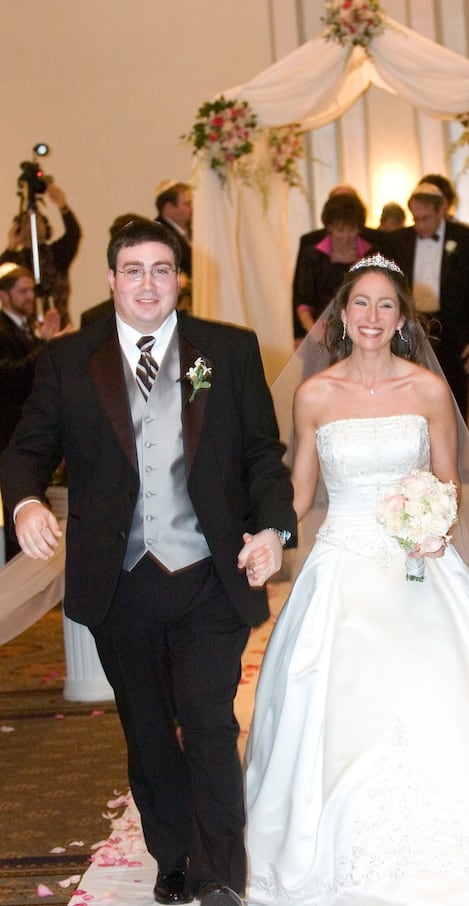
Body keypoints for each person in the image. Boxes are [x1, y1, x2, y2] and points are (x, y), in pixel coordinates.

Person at [244, 253, 469, 906]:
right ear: (342, 316)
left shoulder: (427, 390)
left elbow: (448, 478)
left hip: (419, 558)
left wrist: (436, 520)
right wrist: (268, 531)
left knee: (445, 689)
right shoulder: (314, 395)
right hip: (344, 561)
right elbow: (300, 491)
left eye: (386, 305)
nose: (373, 317)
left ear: (403, 316)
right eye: (361, 304)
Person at [0, 220, 296, 906]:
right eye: (133, 270)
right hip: (120, 578)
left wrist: (274, 529)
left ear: (179, 279)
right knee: (149, 728)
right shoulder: (70, 360)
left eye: (161, 269)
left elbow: (260, 455)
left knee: (211, 720)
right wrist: (25, 506)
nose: (147, 284)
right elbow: (25, 451)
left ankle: (223, 871)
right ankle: (174, 858)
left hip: (209, 577)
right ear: (111, 280)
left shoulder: (229, 349)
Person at [384, 182, 469, 418]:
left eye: (426, 218)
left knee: (454, 401)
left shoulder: (468, 238)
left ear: (441, 210)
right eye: (415, 218)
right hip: (411, 328)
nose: (420, 225)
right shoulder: (398, 240)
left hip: (454, 331)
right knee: (411, 398)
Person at [0, 262, 68, 560]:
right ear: (3, 295)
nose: (31, 296)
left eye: (31, 290)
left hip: (26, 426)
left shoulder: (24, 326)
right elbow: (10, 377)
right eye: (23, 291)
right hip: (8, 430)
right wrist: (47, 346)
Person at [292, 192, 377, 340]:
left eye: (351, 230)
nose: (346, 236)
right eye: (340, 230)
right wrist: (317, 335)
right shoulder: (313, 256)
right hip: (320, 335)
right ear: (329, 227)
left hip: (362, 335)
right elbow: (303, 304)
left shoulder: (372, 254)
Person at [0, 182, 81, 327]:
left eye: (39, 222)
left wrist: (62, 205)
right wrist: (11, 245)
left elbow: (73, 235)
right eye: (27, 223)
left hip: (59, 326)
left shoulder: (57, 253)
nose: (34, 226)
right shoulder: (14, 261)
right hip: (26, 329)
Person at [155, 180, 193, 278]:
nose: (193, 208)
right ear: (169, 208)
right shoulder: (158, 235)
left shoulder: (193, 232)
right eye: (187, 204)